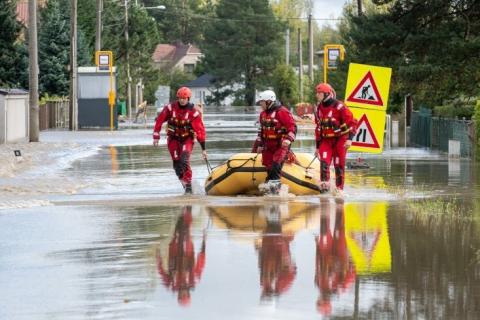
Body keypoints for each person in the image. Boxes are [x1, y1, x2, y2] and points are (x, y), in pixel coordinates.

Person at [153, 86, 207, 194]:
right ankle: (184, 181)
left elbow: (200, 131)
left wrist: (203, 149)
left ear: (188, 98)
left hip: (187, 139)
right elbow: (159, 120)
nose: (182, 100)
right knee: (177, 162)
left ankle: (188, 184)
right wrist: (156, 136)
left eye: (184, 98)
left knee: (184, 160)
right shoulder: (170, 108)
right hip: (173, 139)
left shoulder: (194, 112)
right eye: (180, 98)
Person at [156, 206, 206, 306]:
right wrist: (203, 247)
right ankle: (188, 207)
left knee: (178, 230)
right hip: (187, 249)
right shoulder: (193, 280)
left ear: (178, 295)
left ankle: (183, 209)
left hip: (174, 250)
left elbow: (162, 272)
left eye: (181, 294)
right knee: (186, 229)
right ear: (188, 294)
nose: (183, 291)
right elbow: (200, 265)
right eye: (185, 294)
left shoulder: (170, 285)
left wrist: (158, 258)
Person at [314, 83, 357, 195]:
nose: (317, 95)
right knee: (324, 163)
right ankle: (325, 188)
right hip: (326, 141)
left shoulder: (340, 107)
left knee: (339, 166)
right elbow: (319, 129)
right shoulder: (319, 108)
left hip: (340, 140)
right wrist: (317, 147)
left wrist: (350, 139)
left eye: (319, 93)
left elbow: (352, 123)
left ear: (327, 94)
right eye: (317, 93)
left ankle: (339, 190)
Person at [315, 199, 355, 315]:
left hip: (327, 254)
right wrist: (350, 261)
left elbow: (317, 265)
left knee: (323, 231)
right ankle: (339, 205)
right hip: (340, 255)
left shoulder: (319, 283)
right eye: (321, 300)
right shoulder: (341, 288)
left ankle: (325, 203)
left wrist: (317, 247)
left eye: (319, 300)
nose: (321, 297)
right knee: (339, 227)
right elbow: (352, 273)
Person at [252, 90, 296, 195]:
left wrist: (288, 140)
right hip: (268, 146)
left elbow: (293, 127)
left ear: (268, 101)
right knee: (268, 167)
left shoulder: (282, 112)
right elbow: (261, 132)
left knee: (275, 166)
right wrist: (259, 146)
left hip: (280, 145)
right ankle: (272, 191)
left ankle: (275, 193)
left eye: (262, 102)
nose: (260, 104)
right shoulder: (263, 114)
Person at [256, 205, 297, 298]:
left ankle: (273, 204)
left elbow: (261, 266)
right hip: (276, 247)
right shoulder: (282, 284)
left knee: (272, 224)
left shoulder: (265, 283)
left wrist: (259, 251)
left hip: (272, 247)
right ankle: (274, 204)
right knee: (273, 224)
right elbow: (289, 266)